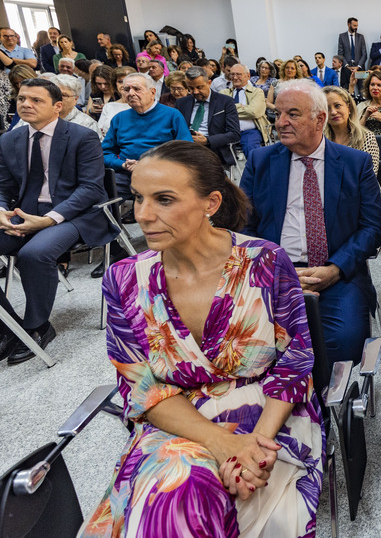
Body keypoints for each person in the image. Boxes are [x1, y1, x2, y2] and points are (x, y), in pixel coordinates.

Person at [79, 141, 323, 537]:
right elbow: (142, 388)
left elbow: (294, 364)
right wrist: (224, 445)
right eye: (138, 198)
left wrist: (254, 450)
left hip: (269, 417)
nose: (143, 215)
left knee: (256, 506)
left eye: (164, 199)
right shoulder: (123, 280)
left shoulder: (265, 261)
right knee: (177, 493)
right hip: (179, 421)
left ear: (210, 203)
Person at [240, 79, 381, 363]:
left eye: (292, 114)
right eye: (277, 114)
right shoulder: (260, 161)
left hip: (337, 273)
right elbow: (243, 225)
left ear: (320, 119)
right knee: (252, 342)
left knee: (343, 341)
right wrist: (275, 270)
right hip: (274, 273)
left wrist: (334, 269)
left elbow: (372, 227)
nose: (280, 122)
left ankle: (325, 403)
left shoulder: (355, 163)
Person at [0, 78, 115, 365]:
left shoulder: (81, 136)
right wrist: (1, 209)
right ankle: (8, 328)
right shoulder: (9, 139)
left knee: (34, 253)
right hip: (24, 212)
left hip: (74, 214)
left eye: (36, 100)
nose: (26, 104)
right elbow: (3, 186)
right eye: (22, 99)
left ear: (57, 106)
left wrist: (49, 220)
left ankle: (37, 325)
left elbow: (91, 188)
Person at [102, 72, 193, 194]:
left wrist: (148, 166)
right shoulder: (119, 118)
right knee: (97, 193)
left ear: (152, 92)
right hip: (125, 174)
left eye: (137, 89)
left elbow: (187, 151)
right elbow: (105, 153)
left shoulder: (172, 115)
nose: (131, 93)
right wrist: (122, 164)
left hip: (161, 174)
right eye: (127, 89)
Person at [176, 66, 241, 167]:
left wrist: (207, 140)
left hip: (213, 148)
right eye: (191, 88)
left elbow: (234, 134)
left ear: (209, 83)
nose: (195, 92)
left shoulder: (225, 102)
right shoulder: (182, 103)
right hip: (186, 148)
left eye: (199, 87)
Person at [323, 85, 379, 173]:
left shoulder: (367, 138)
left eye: (337, 106)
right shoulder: (319, 141)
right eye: (327, 108)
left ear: (348, 108)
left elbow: (369, 177)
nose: (333, 112)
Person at [221, 64, 270, 157]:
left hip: (249, 131)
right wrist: (241, 106)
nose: (235, 77)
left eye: (239, 74)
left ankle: (256, 171)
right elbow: (219, 111)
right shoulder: (224, 93)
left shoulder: (257, 92)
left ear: (248, 76)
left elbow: (254, 112)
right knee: (214, 145)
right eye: (232, 74)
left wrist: (230, 110)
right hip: (227, 132)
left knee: (251, 149)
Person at [95, 66, 135, 136]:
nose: (124, 85)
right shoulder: (109, 106)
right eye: (120, 82)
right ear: (115, 84)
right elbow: (99, 132)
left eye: (127, 81)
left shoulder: (141, 106)